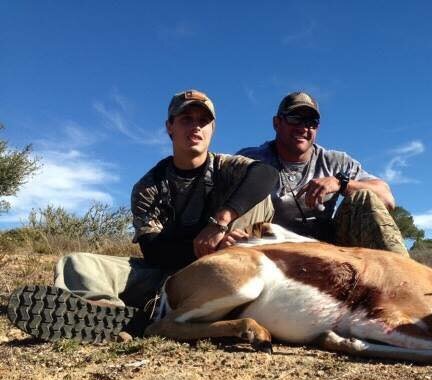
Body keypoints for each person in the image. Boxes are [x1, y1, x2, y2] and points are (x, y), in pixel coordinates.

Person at [7, 89, 278, 342]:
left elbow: (267, 174)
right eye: (186, 119)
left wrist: (220, 223)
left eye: (203, 121)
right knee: (75, 262)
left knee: (258, 198)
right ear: (170, 127)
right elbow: (154, 251)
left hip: (233, 269)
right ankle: (113, 316)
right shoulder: (149, 186)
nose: (196, 126)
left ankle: (163, 313)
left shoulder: (227, 168)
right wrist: (204, 248)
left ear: (212, 130)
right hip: (172, 275)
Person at [237, 92, 408, 256]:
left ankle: (405, 280)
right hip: (267, 247)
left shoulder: (336, 161)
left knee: (364, 196)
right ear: (277, 123)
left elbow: (387, 199)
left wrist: (342, 184)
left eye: (312, 122)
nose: (303, 127)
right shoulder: (250, 159)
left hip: (328, 249)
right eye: (294, 118)